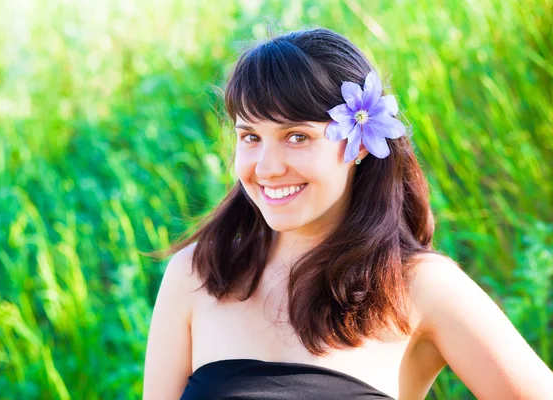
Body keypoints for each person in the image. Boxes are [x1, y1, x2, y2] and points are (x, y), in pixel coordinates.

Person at [142, 28, 553, 399]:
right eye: (250, 136)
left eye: (296, 136)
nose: (265, 167)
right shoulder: (196, 275)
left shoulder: (418, 288)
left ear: (359, 143)